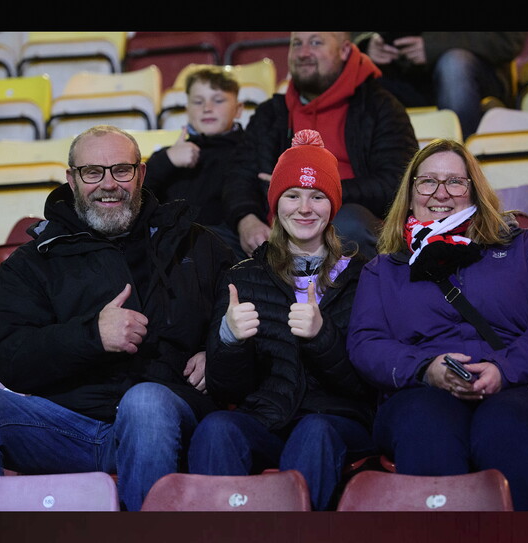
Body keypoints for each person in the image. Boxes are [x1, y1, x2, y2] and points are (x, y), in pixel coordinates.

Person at [0, 125, 235, 511]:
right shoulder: (33, 261)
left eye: (121, 170)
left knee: (144, 403)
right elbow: (7, 356)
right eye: (93, 172)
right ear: (72, 179)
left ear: (141, 174)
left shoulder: (194, 241)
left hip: (166, 417)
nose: (108, 184)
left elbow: (241, 304)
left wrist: (217, 349)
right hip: (63, 428)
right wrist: (92, 336)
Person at [346, 138, 528, 511]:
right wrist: (425, 369)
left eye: (455, 182)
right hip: (419, 392)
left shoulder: (525, 249)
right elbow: (365, 342)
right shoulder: (383, 270)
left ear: (474, 191)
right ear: (410, 196)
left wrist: (504, 369)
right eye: (427, 182)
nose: (441, 193)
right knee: (426, 426)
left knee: (504, 428)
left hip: (519, 385)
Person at [188, 129, 377, 511]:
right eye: (292, 196)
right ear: (275, 204)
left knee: (315, 430)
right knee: (217, 428)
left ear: (333, 205)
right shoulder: (243, 277)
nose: (304, 209)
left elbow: (366, 384)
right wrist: (229, 340)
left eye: (317, 196)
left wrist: (322, 336)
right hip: (269, 420)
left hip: (336, 421)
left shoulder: (363, 276)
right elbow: (227, 389)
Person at [224, 31, 418, 262]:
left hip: (346, 227)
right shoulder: (271, 113)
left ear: (344, 50)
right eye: (297, 44)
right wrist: (246, 219)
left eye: (315, 42)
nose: (303, 53)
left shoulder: (380, 106)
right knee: (205, 241)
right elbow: (239, 175)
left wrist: (321, 192)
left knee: (348, 224)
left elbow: (397, 182)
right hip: (275, 230)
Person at [144, 67, 248, 259]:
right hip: (169, 250)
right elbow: (138, 200)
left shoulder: (250, 152)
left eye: (218, 100)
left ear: (238, 109)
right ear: (187, 110)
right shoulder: (168, 155)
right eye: (198, 102)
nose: (207, 108)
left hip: (225, 250)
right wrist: (167, 160)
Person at [354, 32, 528, 138]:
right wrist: (368, 43)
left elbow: (508, 40)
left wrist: (432, 46)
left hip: (476, 80)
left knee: (454, 65)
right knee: (359, 70)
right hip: (404, 75)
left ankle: (464, 164)